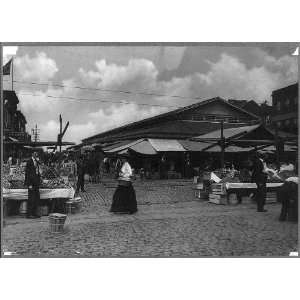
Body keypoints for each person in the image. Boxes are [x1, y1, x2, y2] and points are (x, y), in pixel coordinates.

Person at [24, 151, 41, 219]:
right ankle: (29, 214)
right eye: (34, 153)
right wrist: (29, 184)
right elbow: (27, 173)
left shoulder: (37, 161)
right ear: (32, 154)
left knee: (36, 198)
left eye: (36, 154)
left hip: (36, 182)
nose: (36, 155)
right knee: (31, 198)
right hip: (31, 183)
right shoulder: (29, 161)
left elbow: (37, 171)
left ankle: (34, 213)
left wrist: (39, 177)